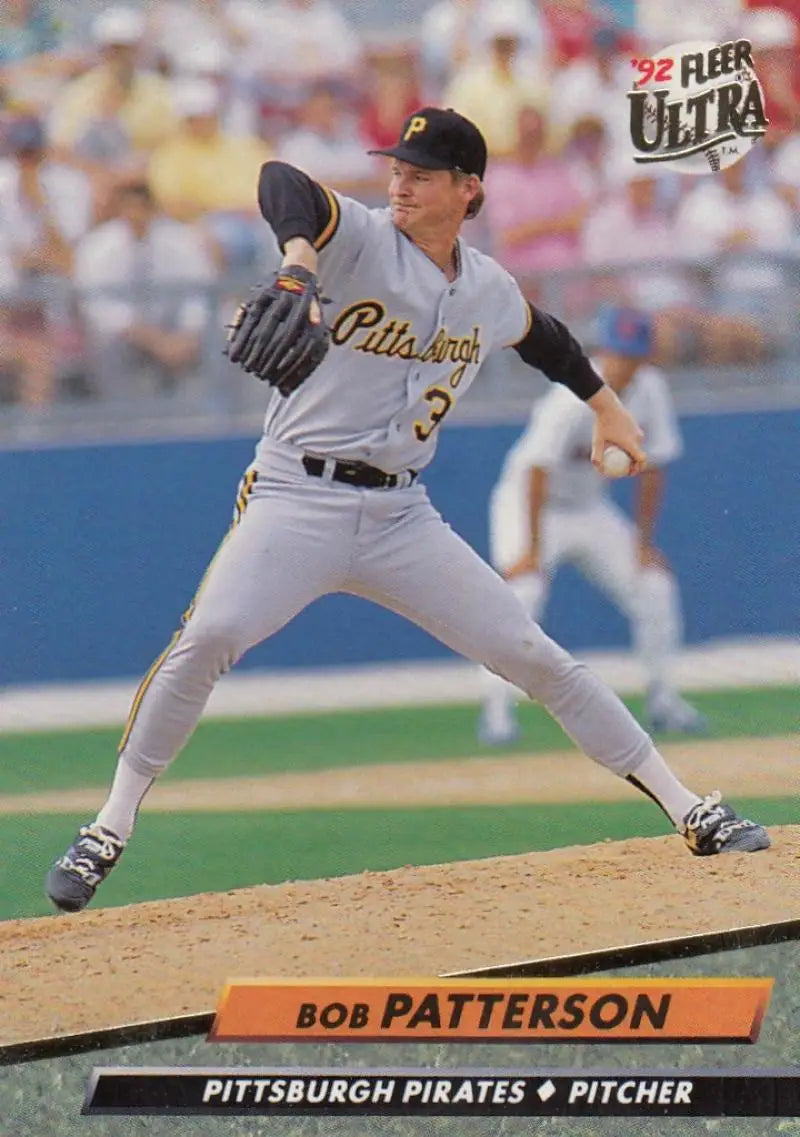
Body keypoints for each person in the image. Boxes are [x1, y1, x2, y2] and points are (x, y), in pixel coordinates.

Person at [46, 106, 769, 914]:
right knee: (208, 635)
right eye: (396, 168)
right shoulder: (356, 236)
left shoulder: (487, 288)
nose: (400, 182)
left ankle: (689, 807)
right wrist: (296, 260)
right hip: (297, 495)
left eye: (420, 174)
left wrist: (605, 402)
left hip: (402, 516)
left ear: (469, 190)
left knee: (533, 653)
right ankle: (109, 824)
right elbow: (279, 181)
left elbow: (546, 337)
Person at [477, 304, 708, 746]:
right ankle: (497, 714)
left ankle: (664, 700)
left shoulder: (650, 390)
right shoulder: (572, 393)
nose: (623, 363)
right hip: (531, 505)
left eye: (632, 354)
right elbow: (535, 471)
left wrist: (643, 544)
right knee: (521, 595)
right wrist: (530, 550)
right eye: (617, 352)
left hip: (588, 508)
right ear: (604, 351)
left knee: (654, 585)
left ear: (644, 357)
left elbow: (655, 466)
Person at [74, 180, 213, 398]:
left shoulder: (181, 240)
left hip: (175, 330)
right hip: (126, 335)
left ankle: (204, 418)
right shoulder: (96, 247)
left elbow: (200, 293)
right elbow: (99, 308)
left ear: (152, 209)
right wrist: (152, 340)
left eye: (141, 208)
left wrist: (188, 334)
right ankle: (121, 418)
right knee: (107, 346)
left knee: (219, 338)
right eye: (128, 208)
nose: (135, 215)